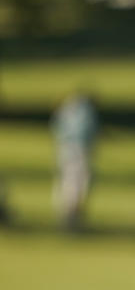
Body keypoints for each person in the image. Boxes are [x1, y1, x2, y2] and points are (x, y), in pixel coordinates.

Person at [51, 92, 99, 232]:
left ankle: (71, 217)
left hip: (67, 151)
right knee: (75, 185)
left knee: (71, 183)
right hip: (77, 152)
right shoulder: (85, 112)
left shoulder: (66, 110)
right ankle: (70, 217)